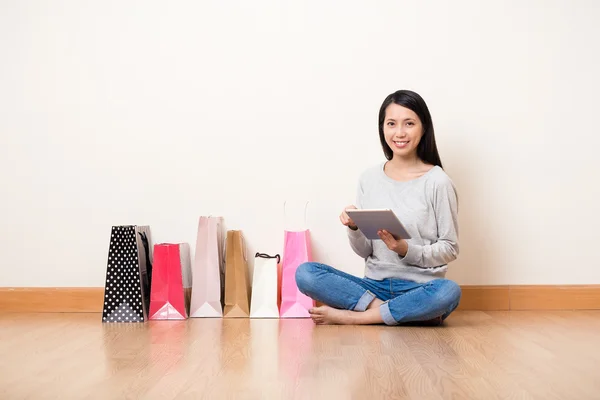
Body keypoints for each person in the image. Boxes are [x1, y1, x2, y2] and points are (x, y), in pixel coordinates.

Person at [295, 89, 461, 326]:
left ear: (423, 128)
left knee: (449, 292)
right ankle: (389, 312)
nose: (399, 133)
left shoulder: (437, 181)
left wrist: (405, 249)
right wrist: (354, 228)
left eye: (409, 123)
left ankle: (358, 317)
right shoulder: (369, 178)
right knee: (306, 273)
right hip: (373, 287)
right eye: (391, 123)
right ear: (382, 128)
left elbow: (449, 248)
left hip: (420, 288)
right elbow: (365, 251)